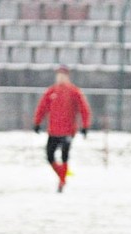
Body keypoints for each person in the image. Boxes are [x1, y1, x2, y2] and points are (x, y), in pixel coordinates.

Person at [33, 65, 91, 193]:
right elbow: (42, 107)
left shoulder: (74, 92)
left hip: (68, 131)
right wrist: (37, 122)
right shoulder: (51, 91)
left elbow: (84, 109)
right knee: (49, 156)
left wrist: (85, 126)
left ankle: (62, 181)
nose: (60, 78)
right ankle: (62, 176)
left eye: (62, 75)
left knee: (64, 156)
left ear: (67, 77)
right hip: (53, 130)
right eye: (58, 75)